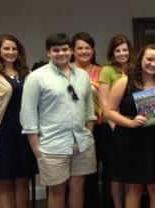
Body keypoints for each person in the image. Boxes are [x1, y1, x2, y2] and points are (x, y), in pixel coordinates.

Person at [20, 33, 97, 208]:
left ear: (70, 51)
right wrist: (37, 150)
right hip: (52, 144)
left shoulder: (82, 76)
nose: (61, 53)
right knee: (57, 190)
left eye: (64, 49)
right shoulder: (36, 77)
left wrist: (88, 134)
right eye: (56, 50)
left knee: (78, 186)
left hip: (82, 143)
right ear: (48, 53)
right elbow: (28, 115)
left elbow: (88, 109)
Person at [105, 44, 155, 208]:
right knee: (134, 187)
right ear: (140, 60)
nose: (153, 64)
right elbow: (109, 111)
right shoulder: (124, 82)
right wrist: (131, 122)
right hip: (131, 140)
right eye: (149, 59)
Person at [0, 34, 38, 208]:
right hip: (2, 134)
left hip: (24, 134)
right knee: (4, 183)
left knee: (23, 181)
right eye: (6, 48)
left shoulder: (27, 74)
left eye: (14, 48)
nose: (11, 52)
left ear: (19, 52)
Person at [98, 34, 135, 208]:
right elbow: (104, 103)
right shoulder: (107, 71)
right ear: (112, 53)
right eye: (118, 50)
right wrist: (116, 127)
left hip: (133, 127)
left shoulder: (135, 69)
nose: (122, 53)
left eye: (125, 50)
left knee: (130, 171)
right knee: (116, 172)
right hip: (113, 128)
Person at [70, 32, 103, 208]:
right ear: (73, 51)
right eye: (80, 48)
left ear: (93, 49)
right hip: (73, 129)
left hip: (99, 127)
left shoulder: (102, 71)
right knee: (72, 176)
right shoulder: (65, 71)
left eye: (87, 48)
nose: (84, 51)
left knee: (93, 173)